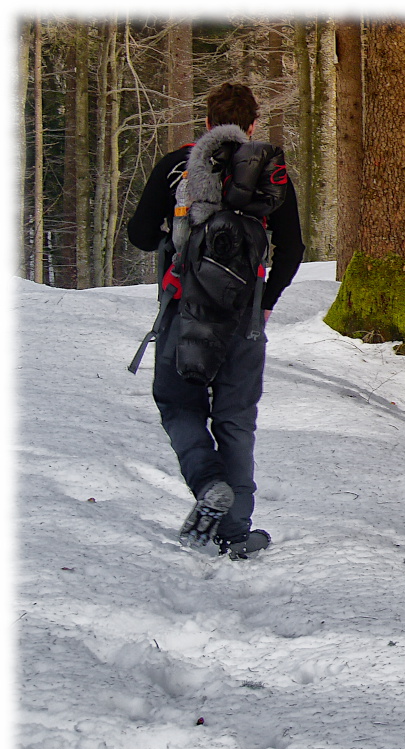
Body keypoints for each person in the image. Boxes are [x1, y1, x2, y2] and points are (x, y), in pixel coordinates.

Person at [128, 82, 303, 559]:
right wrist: (265, 302)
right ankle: (236, 532)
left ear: (206, 123)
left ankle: (207, 482)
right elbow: (293, 249)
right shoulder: (271, 173)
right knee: (235, 418)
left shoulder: (175, 167)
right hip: (244, 319)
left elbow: (141, 235)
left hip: (183, 312)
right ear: (252, 126)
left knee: (178, 404)